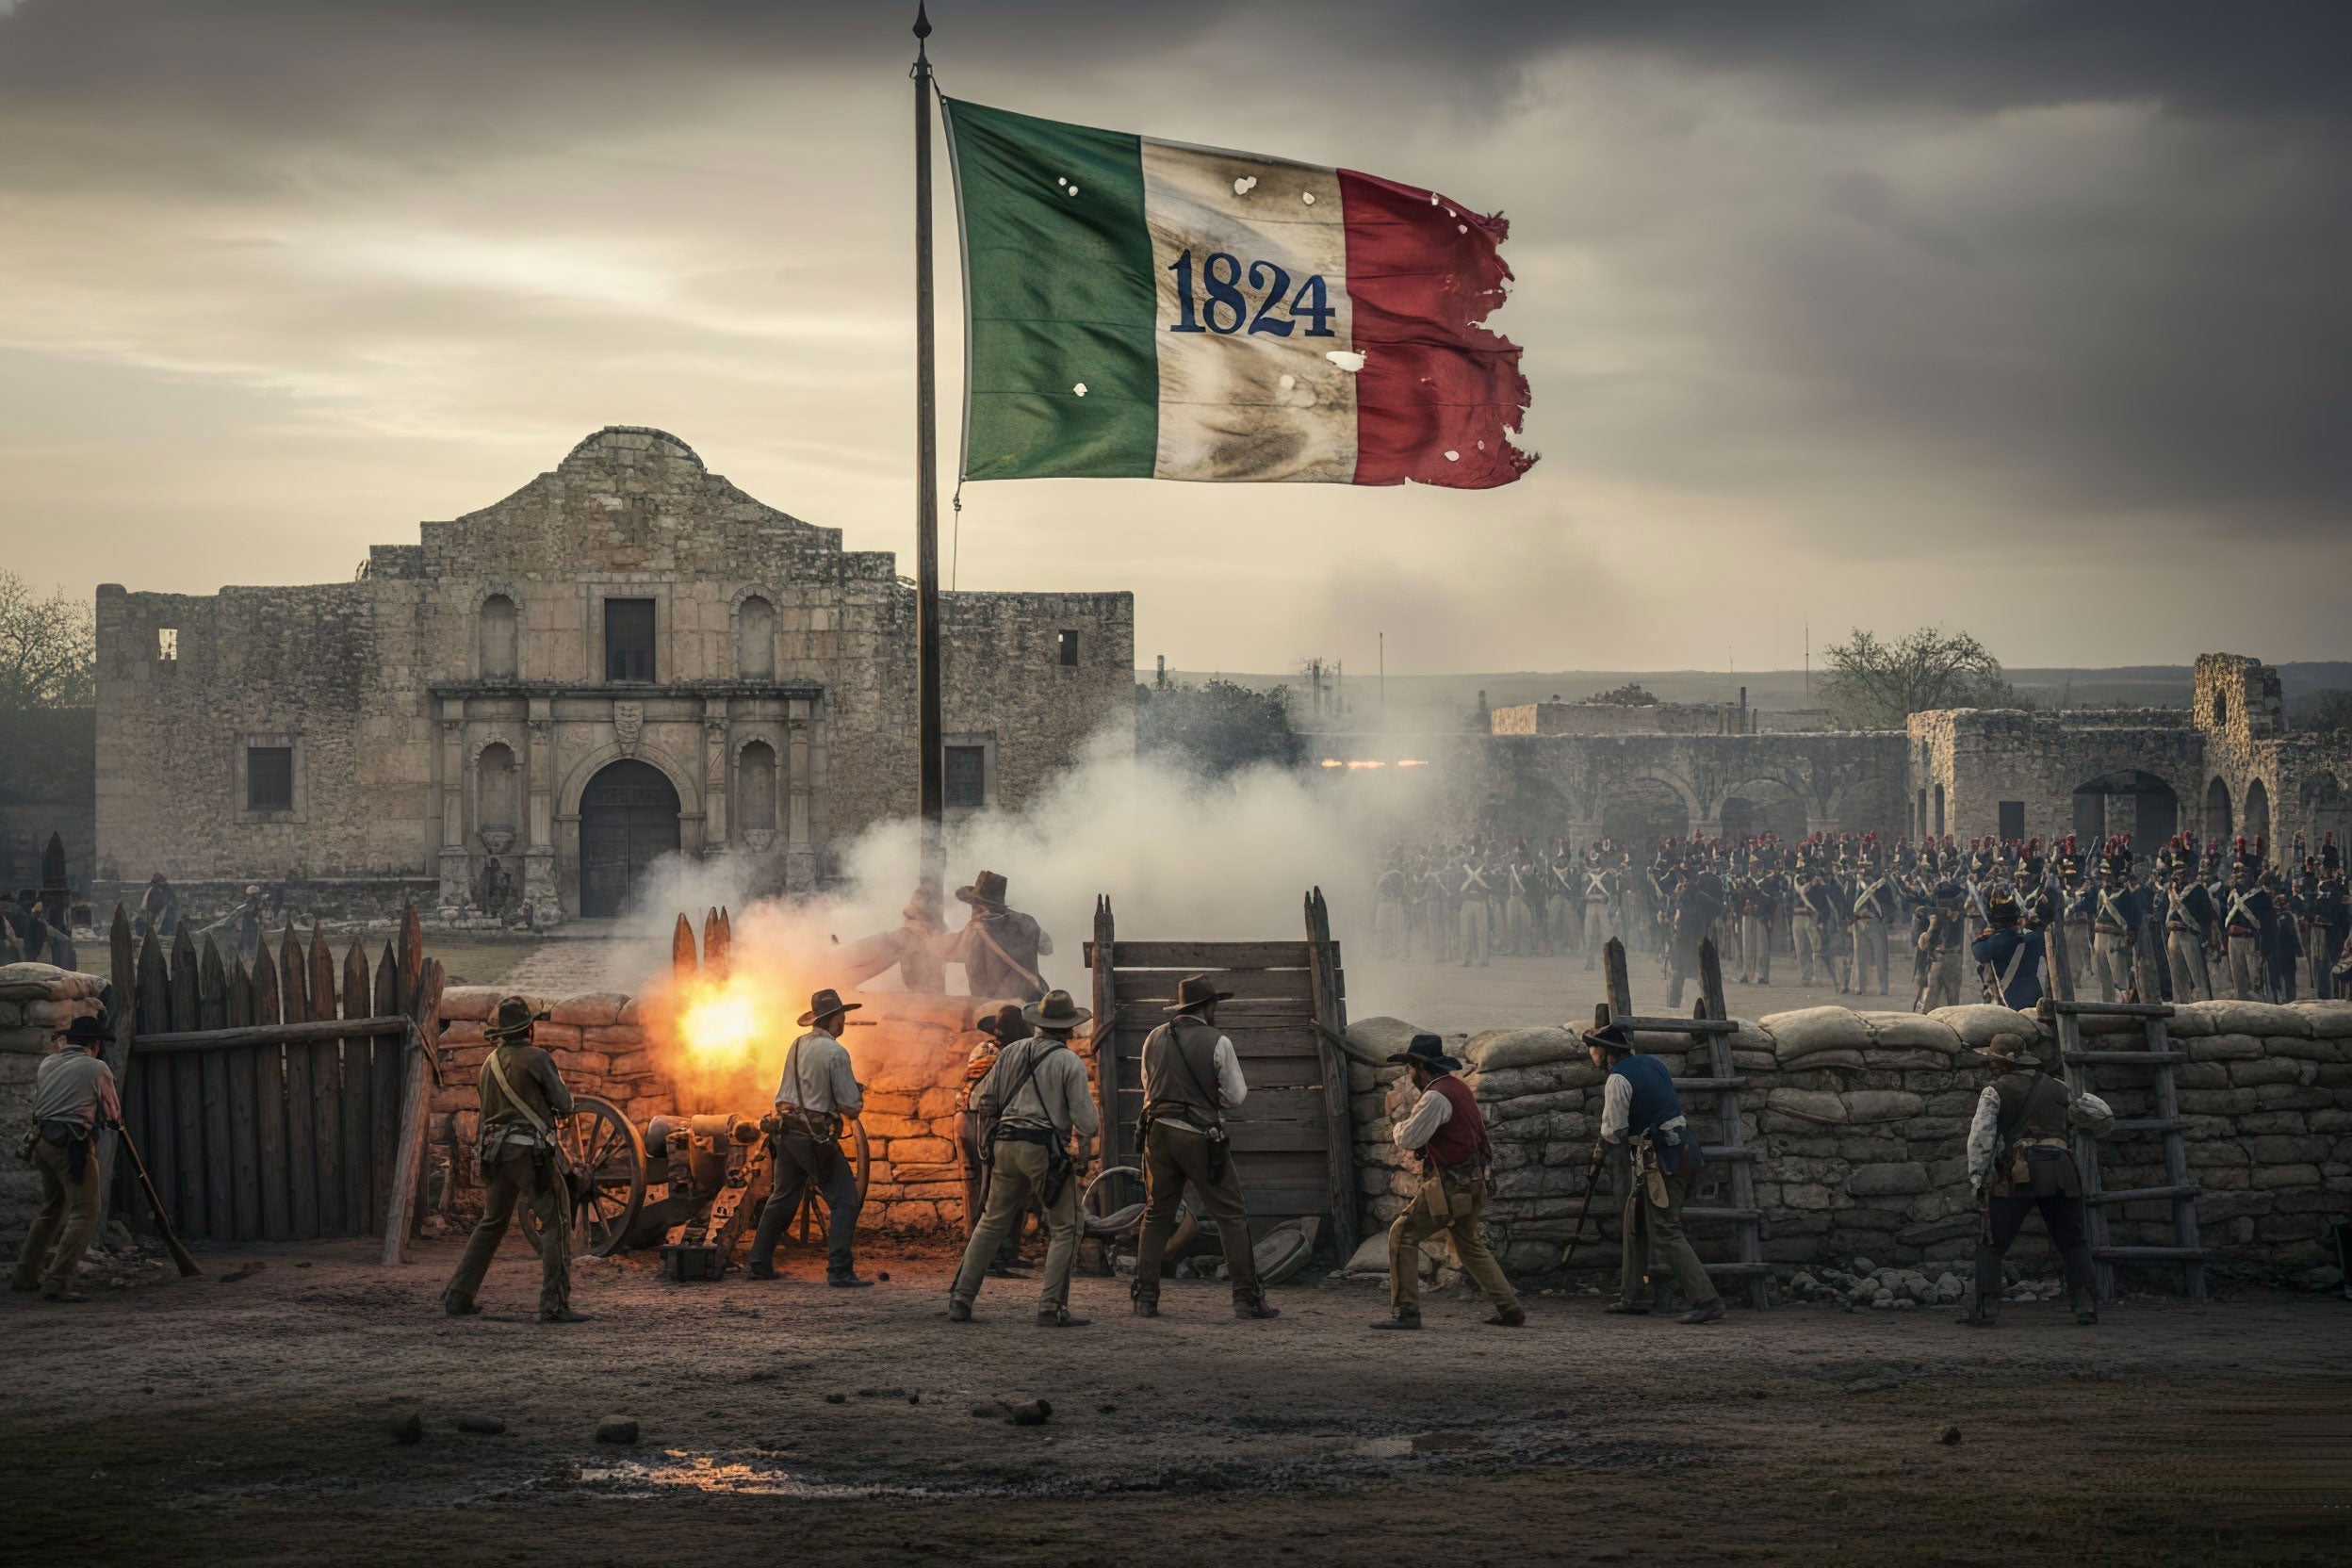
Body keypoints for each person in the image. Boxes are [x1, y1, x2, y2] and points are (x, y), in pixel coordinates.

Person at [947, 989, 1101, 1327]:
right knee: (1067, 1226)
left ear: (1039, 1023)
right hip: (1042, 1148)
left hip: (1005, 1144)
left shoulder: (1010, 1053)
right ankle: (1051, 1307)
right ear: (1068, 1028)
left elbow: (985, 1099)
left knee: (991, 1223)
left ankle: (960, 1300)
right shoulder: (1068, 1062)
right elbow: (1088, 1122)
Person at [1130, 975, 1278, 1320]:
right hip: (1199, 1136)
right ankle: (1247, 1299)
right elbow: (1235, 1096)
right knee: (1230, 1215)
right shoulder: (1218, 1041)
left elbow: (1148, 1086)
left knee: (1156, 1214)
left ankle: (1145, 1298)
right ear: (1208, 1006)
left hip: (1157, 1134)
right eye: (1215, 1004)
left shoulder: (1154, 1037)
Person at [443, 995, 585, 1322]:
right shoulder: (537, 1058)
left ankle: (458, 1295)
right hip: (529, 1154)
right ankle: (554, 1305)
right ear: (529, 1029)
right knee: (556, 1222)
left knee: (491, 1222)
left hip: (495, 1154)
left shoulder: (487, 1065)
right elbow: (565, 1104)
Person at [1370, 1034, 1524, 1331]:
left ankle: (1406, 1312)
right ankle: (1509, 1307)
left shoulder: (1436, 1097)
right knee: (1469, 1243)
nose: (1409, 1075)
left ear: (1420, 1067)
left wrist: (1397, 1126)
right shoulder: (1458, 1088)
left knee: (1403, 1235)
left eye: (1410, 1068)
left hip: (1451, 1184)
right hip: (1474, 1180)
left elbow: (1410, 1137)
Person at [1959, 1033, 2111, 1328]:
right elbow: (2092, 1118)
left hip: (2020, 1173)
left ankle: (1985, 1308)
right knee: (2073, 1241)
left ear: (2003, 1063)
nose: (1992, 1066)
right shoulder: (2060, 1088)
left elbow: (1981, 1138)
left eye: (1995, 1061)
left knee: (1992, 1242)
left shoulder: (1994, 1091)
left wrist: (1977, 1179)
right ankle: (2086, 1305)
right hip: (2062, 1172)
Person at [1587, 1021, 1723, 1324]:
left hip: (1660, 1160)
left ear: (1607, 1053)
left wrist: (1599, 1152)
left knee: (1665, 1230)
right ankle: (1633, 1296)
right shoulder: (1653, 1063)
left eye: (1594, 1049)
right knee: (1635, 1223)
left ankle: (1707, 1300)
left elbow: (1614, 1130)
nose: (1591, 1054)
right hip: (1678, 1151)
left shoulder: (1617, 1078)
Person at [746, 988, 871, 1287]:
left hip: (787, 1130)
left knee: (782, 1197)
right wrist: (856, 1092)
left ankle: (759, 1264)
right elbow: (851, 1107)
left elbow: (807, 1087)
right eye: (842, 1016)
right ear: (834, 1019)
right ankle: (839, 1270)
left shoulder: (798, 1044)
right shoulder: (836, 1053)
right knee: (845, 1199)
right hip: (814, 1135)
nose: (844, 1021)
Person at [11, 1015, 122, 1301]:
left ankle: (24, 1276)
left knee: (53, 1208)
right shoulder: (97, 1067)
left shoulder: (48, 1063)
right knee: (86, 1211)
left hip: (42, 1143)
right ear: (94, 1044)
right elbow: (113, 1116)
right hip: (71, 1146)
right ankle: (58, 1282)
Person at [956, 1003, 1032, 1274]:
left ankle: (992, 1252)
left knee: (979, 1186)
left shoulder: (983, 1049)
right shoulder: (1011, 1055)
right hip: (983, 1119)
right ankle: (989, 1257)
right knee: (992, 1188)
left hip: (966, 1117)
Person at [946, 871, 1053, 1003]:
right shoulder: (1027, 921)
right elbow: (1047, 949)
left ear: (982, 906)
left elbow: (954, 955)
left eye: (974, 905)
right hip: (1031, 998)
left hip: (994, 1004)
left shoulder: (975, 929)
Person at [1969, 887, 2047, 1012]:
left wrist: (1987, 935)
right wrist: (2034, 924)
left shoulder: (1992, 943)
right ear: (2017, 921)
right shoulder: (2031, 940)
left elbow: (1976, 949)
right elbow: (2042, 933)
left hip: (2005, 1001)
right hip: (2031, 1000)